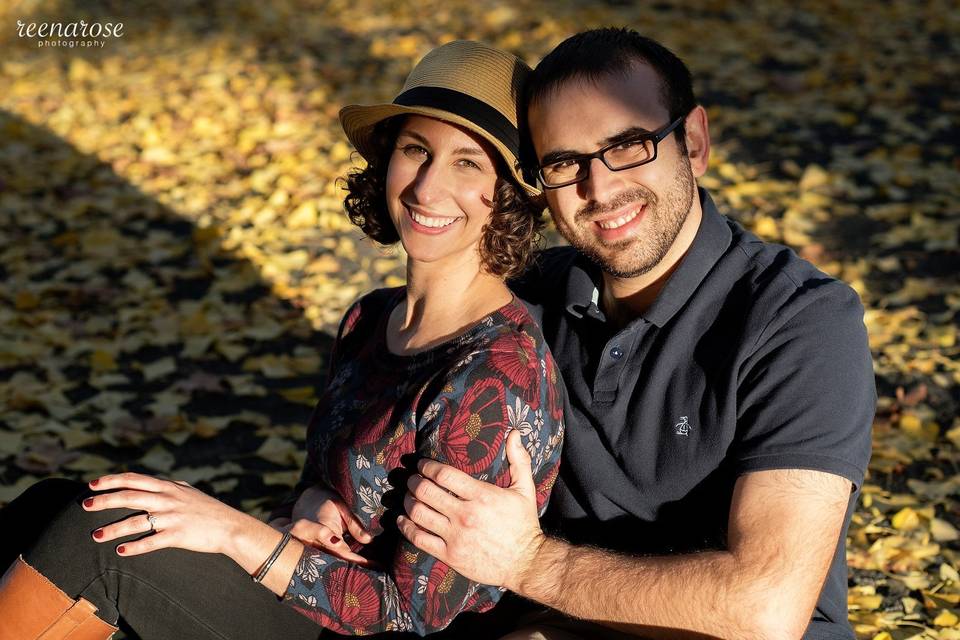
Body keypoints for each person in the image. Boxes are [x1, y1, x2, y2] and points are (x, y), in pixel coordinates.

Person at [0, 40, 565, 639]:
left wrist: (238, 532)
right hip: (312, 600)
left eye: (467, 163)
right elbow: (325, 481)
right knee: (58, 504)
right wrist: (305, 506)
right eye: (415, 149)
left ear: (509, 194)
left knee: (96, 542)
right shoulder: (372, 320)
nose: (427, 187)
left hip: (370, 633)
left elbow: (412, 615)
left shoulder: (493, 376)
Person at [397, 28, 876, 640]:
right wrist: (322, 501)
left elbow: (765, 608)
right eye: (564, 163)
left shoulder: (801, 321)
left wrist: (528, 562)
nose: (599, 189)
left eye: (628, 146)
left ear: (694, 142)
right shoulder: (527, 298)